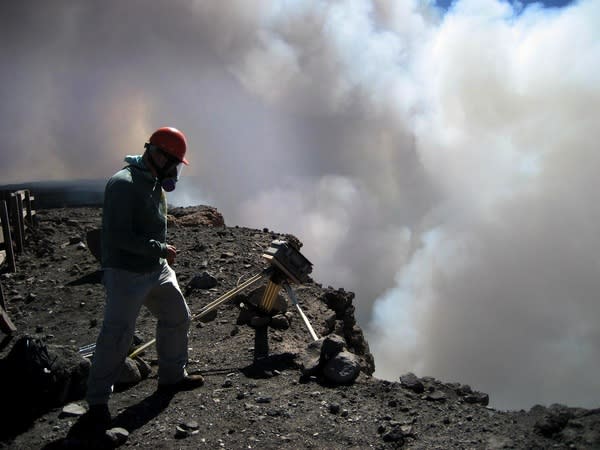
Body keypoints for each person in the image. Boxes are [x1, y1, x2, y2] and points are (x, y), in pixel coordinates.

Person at [83, 126, 203, 427]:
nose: (175, 170)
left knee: (177, 316)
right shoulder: (123, 184)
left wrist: (158, 252)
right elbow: (119, 236)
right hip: (126, 271)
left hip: (155, 268)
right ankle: (97, 402)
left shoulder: (152, 182)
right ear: (157, 155)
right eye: (173, 162)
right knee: (117, 334)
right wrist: (160, 248)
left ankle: (172, 377)